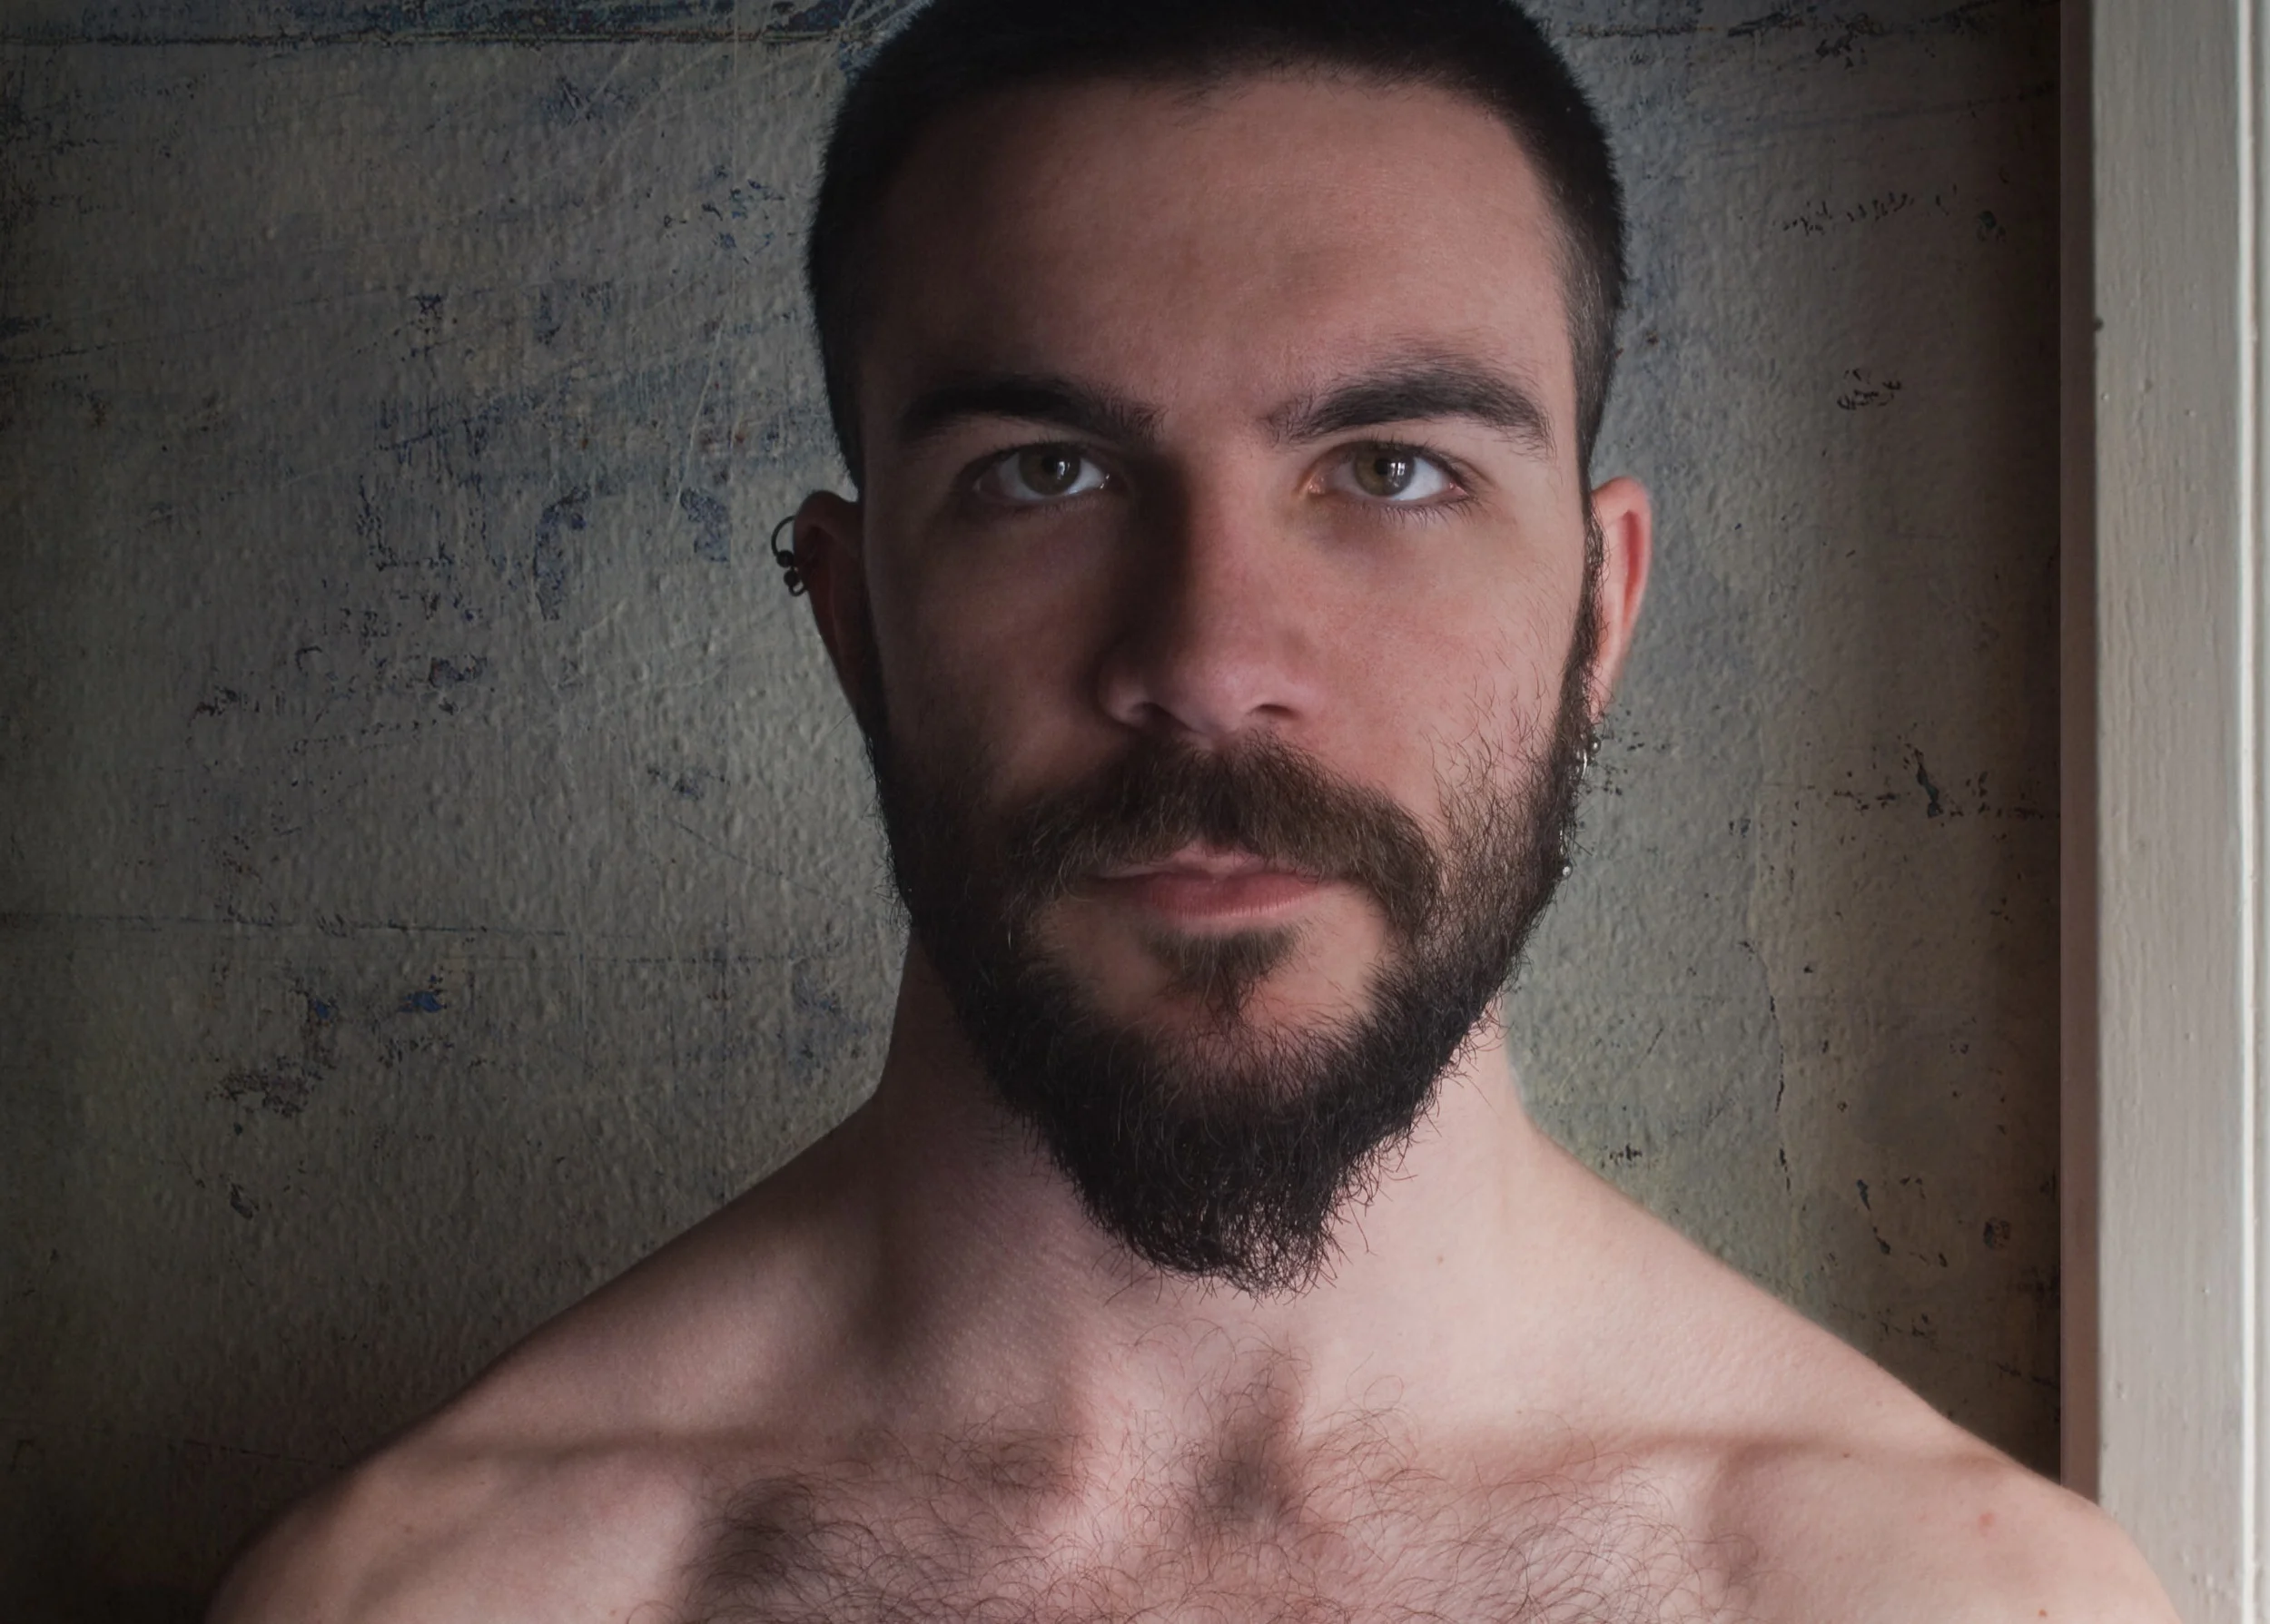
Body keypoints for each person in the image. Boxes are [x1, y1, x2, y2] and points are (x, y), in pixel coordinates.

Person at [211, 1, 2176, 1618]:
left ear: (1600, 608)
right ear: (850, 618)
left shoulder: (1944, 1594)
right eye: (1044, 473)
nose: (1212, 658)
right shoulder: (454, 1594)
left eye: (1390, 469)